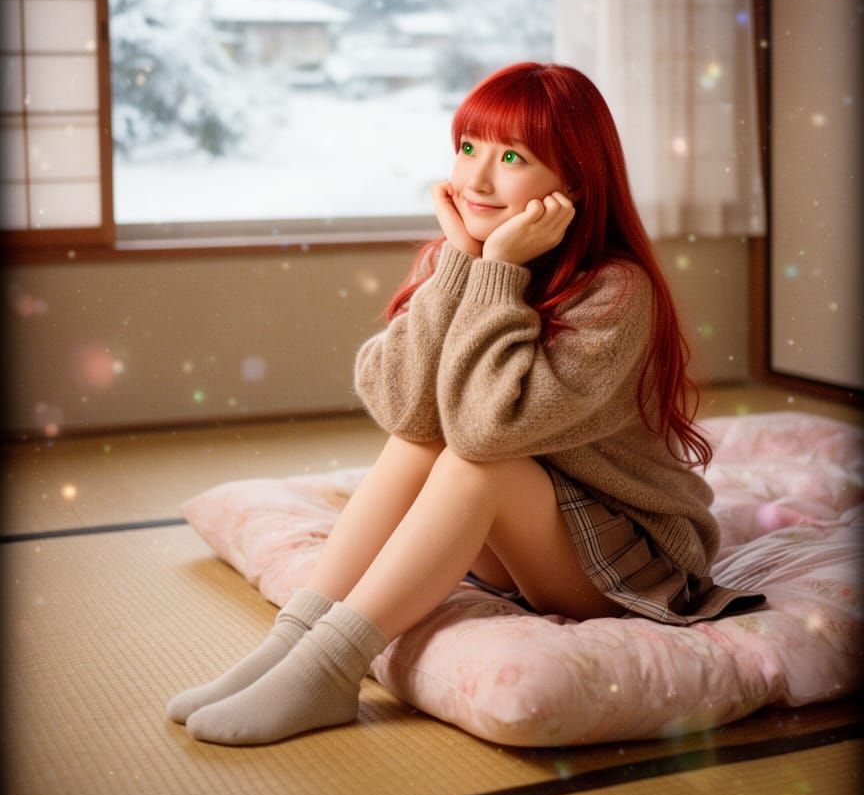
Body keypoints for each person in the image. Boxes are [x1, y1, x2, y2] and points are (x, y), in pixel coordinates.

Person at [167, 61, 763, 746]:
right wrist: (462, 265)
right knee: (423, 443)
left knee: (474, 465)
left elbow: (486, 433)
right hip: (531, 539)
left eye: (512, 156)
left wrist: (498, 274)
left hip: (630, 560)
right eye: (469, 148)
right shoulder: (469, 259)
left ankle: (331, 668)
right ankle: (293, 645)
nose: (476, 178)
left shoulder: (616, 291)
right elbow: (403, 411)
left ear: (573, 181)